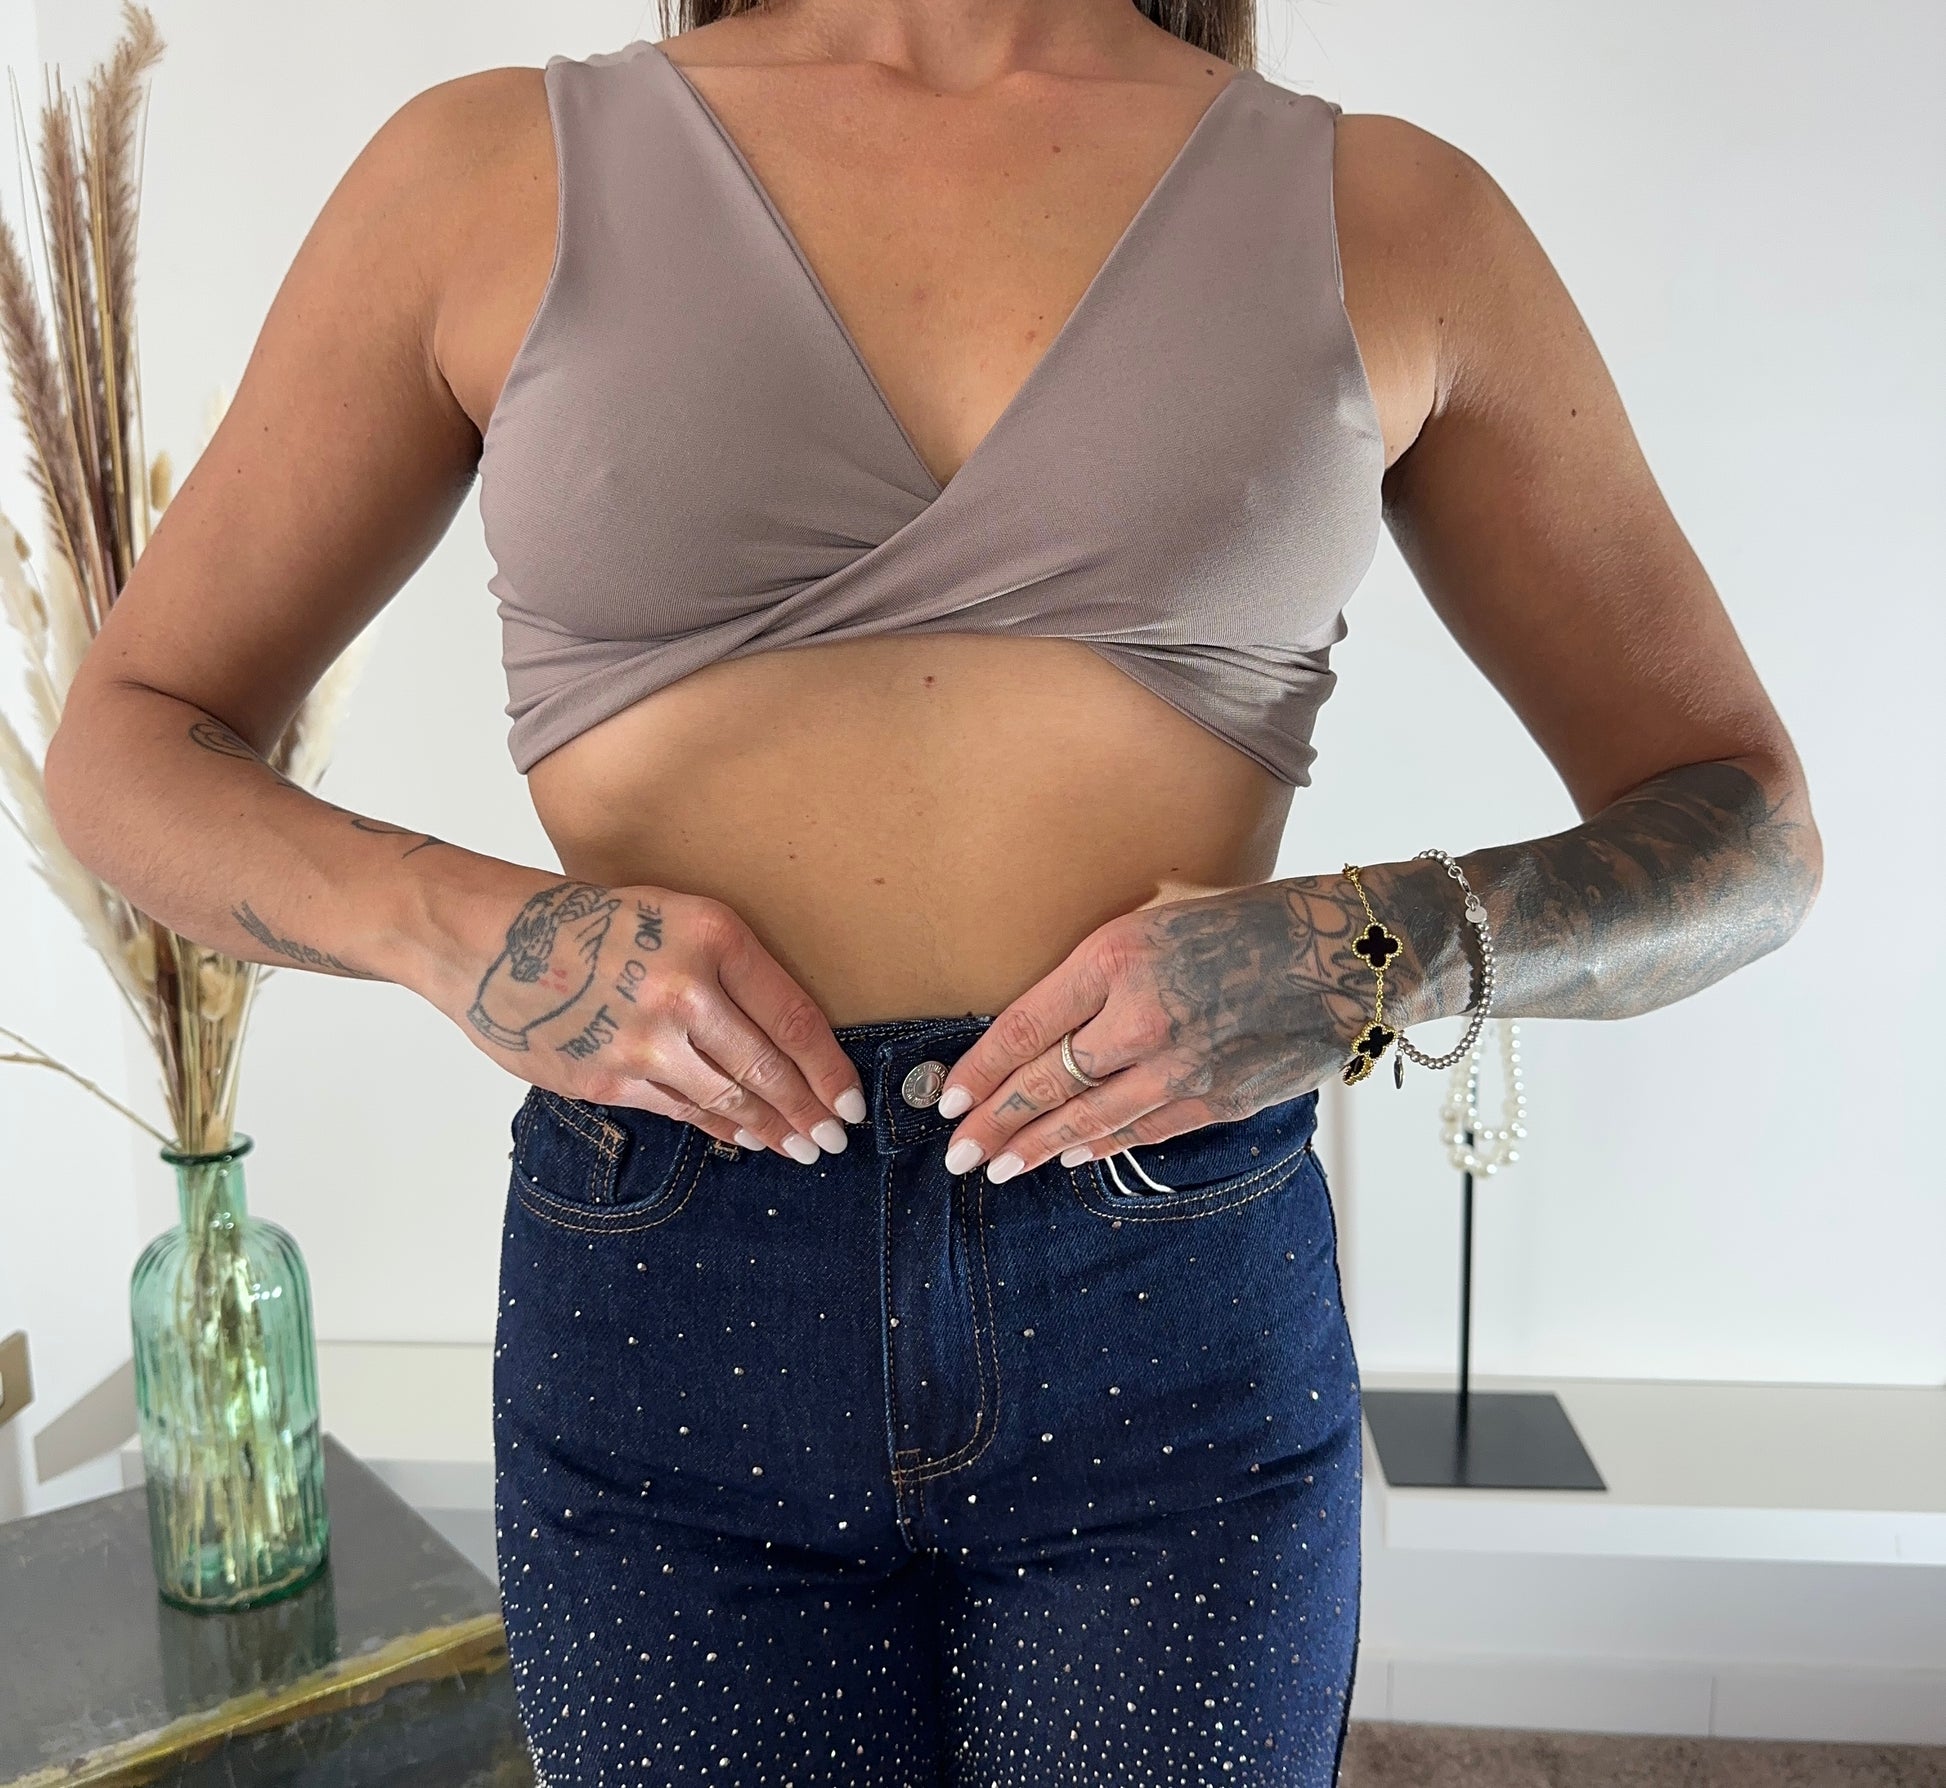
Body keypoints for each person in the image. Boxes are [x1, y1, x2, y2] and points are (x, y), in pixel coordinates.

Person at [44, 0, 1821, 1779]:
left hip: (1161, 1300)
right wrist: (470, 930)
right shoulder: (481, 173)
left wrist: (1366, 952)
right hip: (677, 1306)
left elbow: (1747, 831)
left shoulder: (1392, 212)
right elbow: (128, 746)